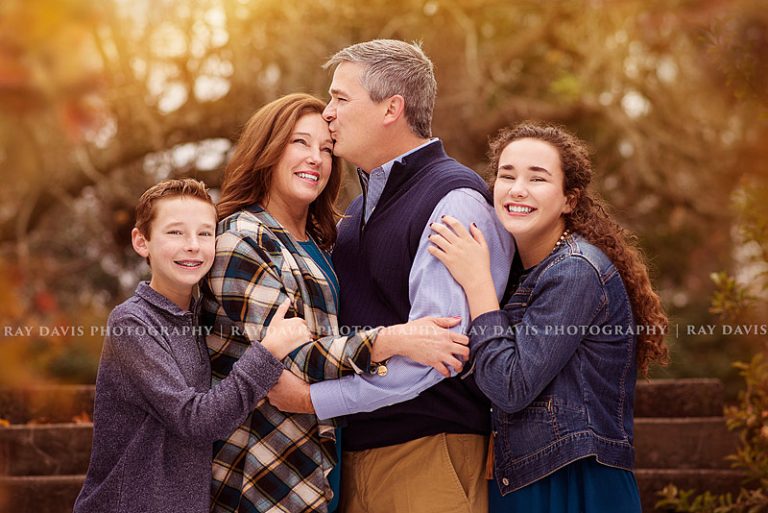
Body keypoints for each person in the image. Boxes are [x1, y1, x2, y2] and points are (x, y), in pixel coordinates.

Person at [266, 40, 514, 513]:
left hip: (428, 452)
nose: (328, 113)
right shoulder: (358, 212)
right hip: (355, 455)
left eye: (341, 98)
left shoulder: (452, 201)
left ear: (391, 108)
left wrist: (312, 399)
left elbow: (434, 353)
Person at [202, 93, 471, 513]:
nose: (316, 158)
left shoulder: (327, 243)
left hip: (323, 463)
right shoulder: (240, 239)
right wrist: (394, 340)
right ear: (267, 150)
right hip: (262, 469)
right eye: (299, 143)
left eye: (326, 148)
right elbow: (285, 359)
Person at [428, 121, 670, 512]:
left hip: (572, 480)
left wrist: (476, 283)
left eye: (537, 178)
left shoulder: (575, 271)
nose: (517, 188)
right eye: (507, 175)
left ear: (569, 200)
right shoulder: (520, 272)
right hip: (524, 475)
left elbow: (510, 386)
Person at [73, 179, 310, 513]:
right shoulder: (131, 323)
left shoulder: (204, 319)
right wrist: (268, 352)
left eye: (204, 233)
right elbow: (196, 421)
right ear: (142, 242)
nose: (193, 246)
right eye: (175, 233)